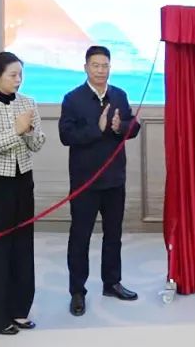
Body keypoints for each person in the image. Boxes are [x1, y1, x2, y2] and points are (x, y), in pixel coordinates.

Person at [59, 46, 142, 316]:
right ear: (86, 68)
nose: (100, 70)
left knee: (113, 234)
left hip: (114, 179)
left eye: (105, 65)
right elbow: (66, 135)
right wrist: (98, 128)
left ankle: (112, 282)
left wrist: (121, 127)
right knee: (80, 237)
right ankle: (77, 291)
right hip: (85, 182)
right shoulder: (72, 98)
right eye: (95, 65)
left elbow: (133, 126)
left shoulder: (119, 95)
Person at [0, 52, 46, 335]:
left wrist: (28, 132)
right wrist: (16, 131)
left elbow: (37, 144)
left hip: (22, 182)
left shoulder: (28, 103)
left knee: (22, 248)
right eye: (13, 75)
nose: (18, 80)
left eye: (20, 75)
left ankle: (20, 310)